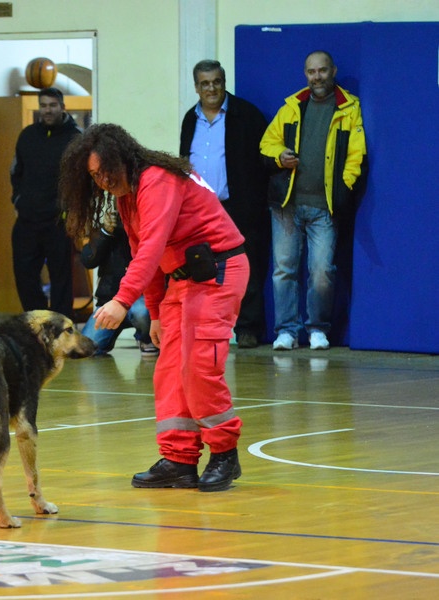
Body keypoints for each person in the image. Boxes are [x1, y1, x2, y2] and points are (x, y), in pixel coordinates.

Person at [60, 123, 249, 493]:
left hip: (218, 272)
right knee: (169, 371)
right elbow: (142, 253)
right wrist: (157, 315)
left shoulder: (158, 179)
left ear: (122, 160)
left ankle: (225, 453)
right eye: (94, 176)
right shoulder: (126, 196)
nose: (101, 182)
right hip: (182, 279)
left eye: (105, 172)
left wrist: (121, 300)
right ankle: (179, 460)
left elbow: (150, 250)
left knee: (198, 366)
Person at [260, 50, 366, 351]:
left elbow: (356, 156)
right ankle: (287, 332)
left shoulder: (349, 108)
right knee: (284, 270)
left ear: (333, 71)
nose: (316, 77)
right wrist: (280, 156)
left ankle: (318, 328)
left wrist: (342, 188)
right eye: (311, 72)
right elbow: (267, 142)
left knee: (322, 272)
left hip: (325, 207)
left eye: (322, 71)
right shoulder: (293, 106)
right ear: (305, 74)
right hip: (287, 205)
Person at [179, 59, 270, 348]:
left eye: (216, 81)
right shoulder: (189, 119)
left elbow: (262, 162)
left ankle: (248, 329)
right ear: (196, 87)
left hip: (238, 207)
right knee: (201, 270)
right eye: (205, 83)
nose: (211, 88)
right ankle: (206, 326)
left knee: (247, 268)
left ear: (224, 82)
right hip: (198, 210)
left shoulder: (247, 115)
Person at [10, 87, 81, 319]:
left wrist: (72, 211)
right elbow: (15, 172)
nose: (47, 110)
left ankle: (61, 327)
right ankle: (37, 322)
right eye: (43, 105)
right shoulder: (28, 135)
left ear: (63, 107)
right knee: (25, 275)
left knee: (61, 279)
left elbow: (83, 180)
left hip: (58, 221)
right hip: (28, 220)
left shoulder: (76, 139)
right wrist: (18, 200)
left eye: (52, 105)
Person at [79, 206, 156, 356]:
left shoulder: (148, 225)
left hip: (140, 298)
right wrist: (105, 232)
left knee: (142, 311)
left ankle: (147, 339)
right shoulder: (108, 228)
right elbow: (88, 260)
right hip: (109, 301)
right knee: (87, 349)